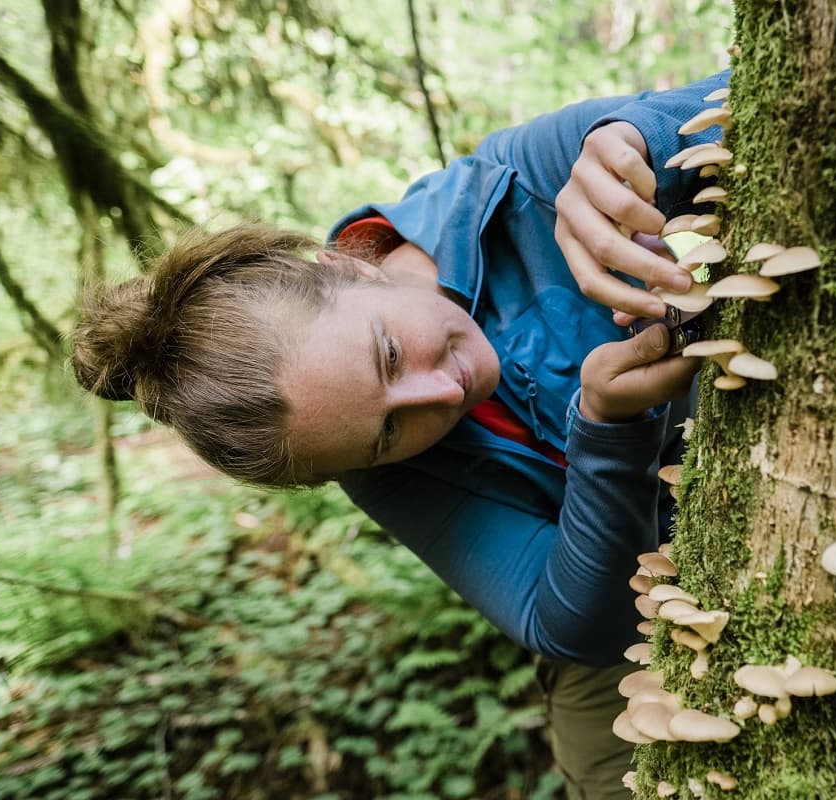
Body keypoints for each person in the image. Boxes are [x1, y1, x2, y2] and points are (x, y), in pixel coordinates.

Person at [73, 70, 730, 798]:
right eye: (390, 432)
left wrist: (642, 135)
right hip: (631, 623)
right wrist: (609, 430)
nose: (443, 391)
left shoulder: (515, 189)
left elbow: (757, 94)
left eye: (388, 354)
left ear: (352, 267)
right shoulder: (375, 472)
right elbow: (575, 624)